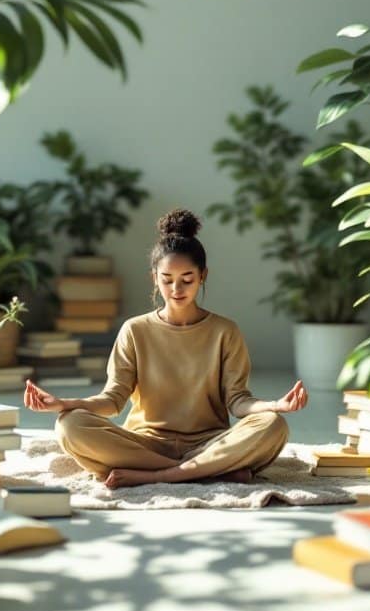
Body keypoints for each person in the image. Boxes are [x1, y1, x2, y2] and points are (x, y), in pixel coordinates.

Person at [24, 208, 309, 489]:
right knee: (69, 426)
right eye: (167, 279)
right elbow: (112, 400)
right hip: (145, 445)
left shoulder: (225, 331)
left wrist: (275, 405)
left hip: (208, 444)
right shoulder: (134, 330)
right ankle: (205, 472)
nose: (177, 288)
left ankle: (158, 476)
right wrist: (65, 405)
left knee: (273, 425)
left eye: (187, 279)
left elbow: (237, 401)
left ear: (203, 276)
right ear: (154, 278)